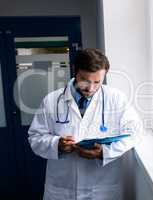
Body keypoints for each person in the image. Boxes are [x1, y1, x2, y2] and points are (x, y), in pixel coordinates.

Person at [28, 48, 141, 200]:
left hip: (103, 188)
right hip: (62, 187)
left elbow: (135, 132)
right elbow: (35, 137)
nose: (91, 88)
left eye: (97, 82)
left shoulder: (116, 99)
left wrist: (105, 152)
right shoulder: (52, 100)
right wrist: (57, 145)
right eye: (85, 81)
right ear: (75, 72)